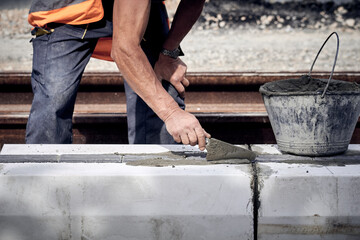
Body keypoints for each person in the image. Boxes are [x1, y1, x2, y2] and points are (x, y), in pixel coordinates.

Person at [25, 0, 210, 150]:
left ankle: (161, 178)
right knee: (53, 99)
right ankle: (41, 178)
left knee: (163, 83)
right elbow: (124, 50)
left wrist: (168, 54)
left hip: (143, 9)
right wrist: (171, 113)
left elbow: (193, 2)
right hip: (68, 10)